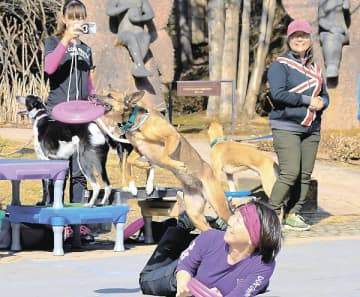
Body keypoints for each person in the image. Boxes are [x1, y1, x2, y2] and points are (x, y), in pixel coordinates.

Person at [139, 200, 282, 297]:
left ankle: (195, 240)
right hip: (182, 275)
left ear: (253, 237)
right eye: (234, 216)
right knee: (145, 282)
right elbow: (185, 267)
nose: (231, 221)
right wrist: (183, 285)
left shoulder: (263, 264)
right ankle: (181, 228)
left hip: (206, 269)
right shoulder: (211, 237)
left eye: (238, 221)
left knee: (261, 283)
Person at [267, 19, 330, 230]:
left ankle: (294, 213)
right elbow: (278, 93)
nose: (300, 39)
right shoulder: (280, 65)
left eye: (303, 36)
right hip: (286, 125)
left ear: (310, 39)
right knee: (290, 172)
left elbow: (324, 95)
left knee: (304, 174)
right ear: (289, 39)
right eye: (295, 36)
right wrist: (306, 101)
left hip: (311, 129)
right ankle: (272, 214)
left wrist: (323, 102)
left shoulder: (316, 68)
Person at [43, 0, 95, 204]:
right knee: (56, 170)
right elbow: (49, 68)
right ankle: (52, 217)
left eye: (80, 18)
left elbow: (88, 83)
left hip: (81, 119)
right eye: (72, 17)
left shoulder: (87, 49)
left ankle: (77, 223)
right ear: (64, 19)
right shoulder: (53, 42)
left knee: (80, 171)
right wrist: (65, 39)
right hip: (56, 116)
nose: (76, 22)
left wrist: (96, 103)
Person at [106, 0, 154, 78]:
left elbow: (150, 13)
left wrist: (140, 18)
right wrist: (125, 6)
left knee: (146, 37)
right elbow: (109, 11)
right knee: (130, 37)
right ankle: (140, 66)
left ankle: (137, 67)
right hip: (124, 33)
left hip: (139, 32)